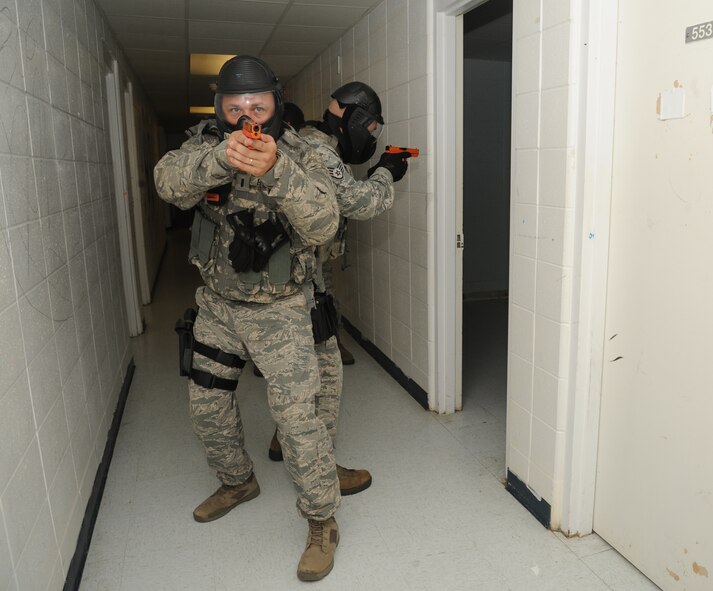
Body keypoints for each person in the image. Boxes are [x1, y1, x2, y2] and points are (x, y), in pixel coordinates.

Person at [154, 55, 341, 582]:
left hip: (280, 310)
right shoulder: (206, 143)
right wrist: (218, 160)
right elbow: (168, 183)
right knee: (207, 404)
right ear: (220, 109)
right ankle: (237, 482)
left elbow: (326, 223)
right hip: (217, 305)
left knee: (297, 420)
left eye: (257, 105)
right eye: (234, 108)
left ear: (275, 105)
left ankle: (322, 520)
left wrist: (276, 170)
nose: (246, 117)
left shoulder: (305, 151)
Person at [267, 82, 412, 498]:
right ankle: (322, 471)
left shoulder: (313, 139)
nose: (369, 134)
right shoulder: (319, 149)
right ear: (348, 118)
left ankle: (284, 439)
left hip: (296, 278)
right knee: (326, 374)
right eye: (367, 125)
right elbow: (362, 202)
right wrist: (387, 170)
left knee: (296, 374)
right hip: (298, 285)